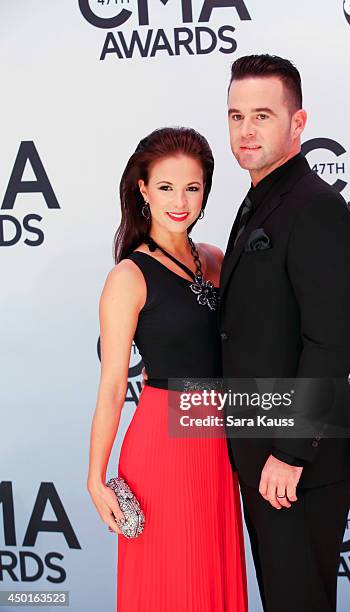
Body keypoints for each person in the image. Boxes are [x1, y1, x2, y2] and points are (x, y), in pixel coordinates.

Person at [219, 54, 350, 611]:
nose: (246, 130)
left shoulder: (315, 208)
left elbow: (329, 342)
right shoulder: (260, 200)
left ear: (297, 123)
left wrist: (291, 452)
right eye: (235, 116)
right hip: (264, 451)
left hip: (297, 459)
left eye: (262, 114)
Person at [87, 127, 248, 612]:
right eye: (165, 187)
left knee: (214, 573)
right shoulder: (128, 277)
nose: (180, 201)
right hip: (165, 442)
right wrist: (95, 477)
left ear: (205, 191)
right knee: (172, 580)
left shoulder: (218, 261)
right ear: (142, 189)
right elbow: (114, 386)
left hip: (220, 437)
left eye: (192, 188)